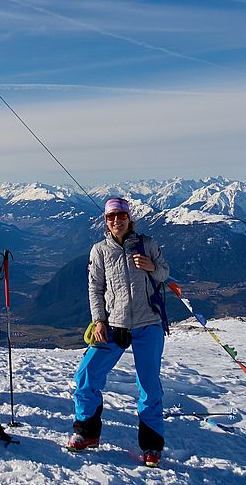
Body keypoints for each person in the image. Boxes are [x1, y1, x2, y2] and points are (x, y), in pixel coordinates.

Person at [67, 196, 170, 467]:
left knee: (149, 385)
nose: (116, 221)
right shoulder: (99, 251)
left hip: (149, 324)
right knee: (87, 374)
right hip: (114, 326)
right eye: (111, 217)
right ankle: (86, 433)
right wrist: (99, 320)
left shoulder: (147, 244)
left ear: (129, 218)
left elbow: (164, 274)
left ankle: (151, 447)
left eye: (120, 216)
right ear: (105, 221)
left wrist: (153, 267)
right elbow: (95, 288)